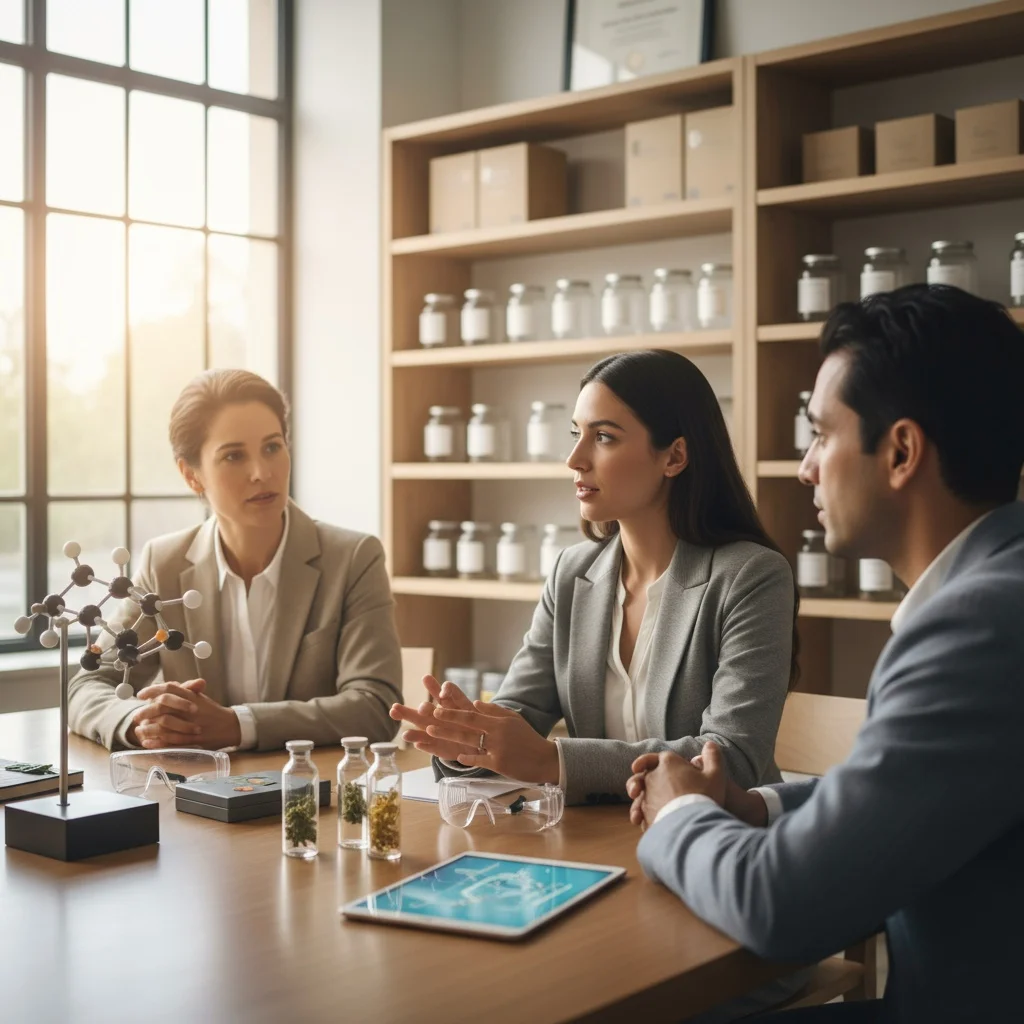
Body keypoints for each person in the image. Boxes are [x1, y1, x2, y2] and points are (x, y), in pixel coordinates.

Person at [628, 286, 1024, 1023]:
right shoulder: (994, 588)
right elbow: (902, 792)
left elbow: (780, 904)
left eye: (821, 435)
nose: (806, 468)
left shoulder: (981, 624)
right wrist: (749, 805)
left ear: (901, 451)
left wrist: (681, 814)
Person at [390, 349, 798, 806]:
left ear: (675, 456)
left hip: (716, 839)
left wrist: (554, 761)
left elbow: (729, 757)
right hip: (597, 836)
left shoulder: (751, 577)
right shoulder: (573, 572)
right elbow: (520, 712)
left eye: (603, 437)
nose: (575, 459)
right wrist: (467, 738)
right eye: (575, 435)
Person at [69, 368, 403, 752]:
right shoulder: (164, 565)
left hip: (312, 795)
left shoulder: (354, 559)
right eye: (233, 456)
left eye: (273, 447)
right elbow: (88, 684)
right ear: (192, 476)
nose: (262, 473)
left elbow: (376, 707)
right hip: (196, 796)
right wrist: (135, 723)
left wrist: (238, 725)